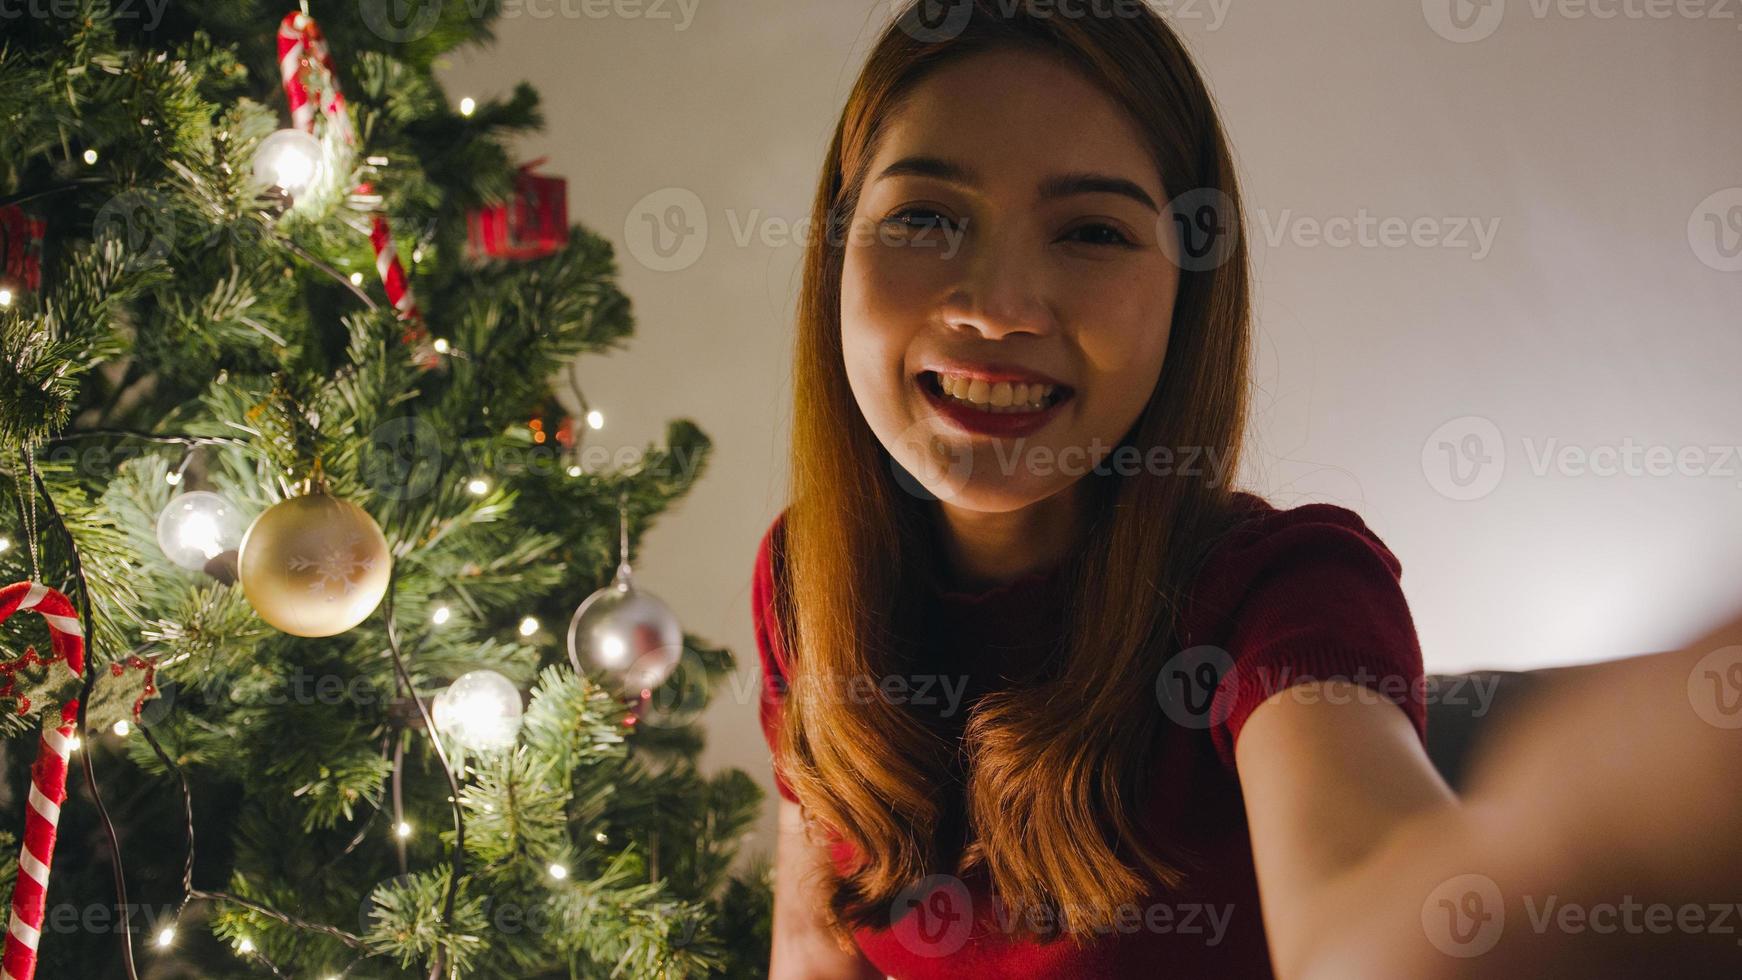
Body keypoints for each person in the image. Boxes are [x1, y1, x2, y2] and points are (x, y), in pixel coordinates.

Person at [755, 3, 1742, 977]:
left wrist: (1602, 833)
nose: (997, 307)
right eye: (924, 216)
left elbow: (1363, 904)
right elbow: (810, 945)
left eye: (1090, 232)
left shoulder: (1284, 589)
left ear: (1185, 294)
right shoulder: (806, 571)